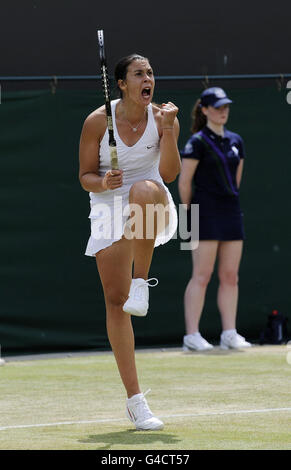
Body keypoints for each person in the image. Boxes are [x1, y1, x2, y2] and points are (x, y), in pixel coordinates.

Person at [79, 54, 180, 430]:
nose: (148, 78)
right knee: (115, 303)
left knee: (142, 188)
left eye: (151, 72)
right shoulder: (96, 121)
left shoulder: (163, 117)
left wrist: (168, 130)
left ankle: (143, 281)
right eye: (139, 73)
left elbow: (169, 172)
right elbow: (85, 175)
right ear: (121, 83)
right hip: (107, 203)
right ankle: (135, 402)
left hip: (150, 196)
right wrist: (102, 182)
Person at [178, 87, 251, 351]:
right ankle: (191, 336)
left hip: (231, 211)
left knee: (231, 275)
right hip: (201, 212)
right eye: (217, 107)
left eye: (226, 107)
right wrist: (189, 214)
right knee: (202, 275)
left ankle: (229, 333)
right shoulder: (196, 142)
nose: (223, 111)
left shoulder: (236, 141)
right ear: (205, 110)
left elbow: (237, 180)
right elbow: (184, 182)